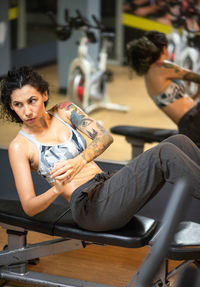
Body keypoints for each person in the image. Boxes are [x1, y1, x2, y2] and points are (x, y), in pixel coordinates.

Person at [1, 66, 200, 233]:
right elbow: (29, 207)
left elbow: (105, 137)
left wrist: (78, 161)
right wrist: (57, 189)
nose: (27, 111)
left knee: (179, 140)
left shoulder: (65, 110)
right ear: (11, 107)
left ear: (44, 95)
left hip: (106, 184)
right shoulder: (20, 146)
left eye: (31, 101)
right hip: (90, 207)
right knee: (163, 153)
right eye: (18, 105)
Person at [126, 30, 200, 147]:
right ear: (164, 48)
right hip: (193, 123)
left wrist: (195, 96)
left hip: (190, 123)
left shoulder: (150, 73)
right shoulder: (162, 67)